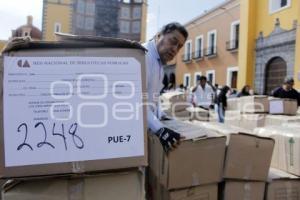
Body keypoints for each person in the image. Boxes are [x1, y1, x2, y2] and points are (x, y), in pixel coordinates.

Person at [143, 22, 188, 152]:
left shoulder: (159, 65)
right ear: (158, 36)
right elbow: (137, 101)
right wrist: (160, 129)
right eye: (173, 41)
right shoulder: (143, 57)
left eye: (179, 46)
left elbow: (153, 99)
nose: (175, 49)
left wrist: (162, 115)